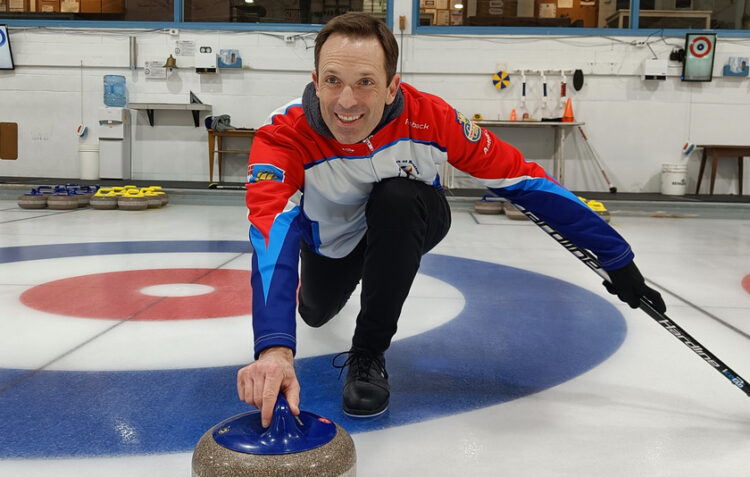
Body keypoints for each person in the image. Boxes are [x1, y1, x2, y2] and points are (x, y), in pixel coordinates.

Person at [236, 12, 666, 426]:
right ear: (315, 82)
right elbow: (272, 229)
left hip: (406, 218)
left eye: (365, 82)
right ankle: (359, 273)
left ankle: (368, 355)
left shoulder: (431, 119)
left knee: (398, 199)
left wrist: (616, 257)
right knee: (314, 313)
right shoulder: (283, 135)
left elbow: (523, 181)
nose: (347, 101)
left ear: (391, 88)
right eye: (333, 81)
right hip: (331, 239)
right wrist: (275, 347)